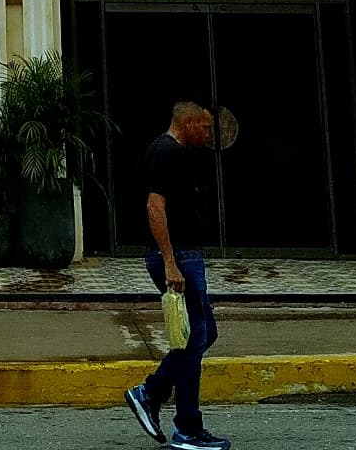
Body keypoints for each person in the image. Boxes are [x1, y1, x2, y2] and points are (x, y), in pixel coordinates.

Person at [125, 100, 228, 449]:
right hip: (179, 256)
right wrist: (170, 262)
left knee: (202, 334)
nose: (208, 133)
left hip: (183, 255)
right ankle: (188, 428)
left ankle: (150, 392)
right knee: (194, 338)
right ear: (186, 123)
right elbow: (155, 207)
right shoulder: (169, 153)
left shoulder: (166, 150)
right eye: (203, 127)